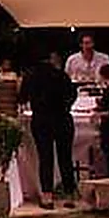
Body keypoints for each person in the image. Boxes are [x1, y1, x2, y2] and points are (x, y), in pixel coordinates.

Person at [19, 50, 77, 208]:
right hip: (63, 118)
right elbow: (73, 94)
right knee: (65, 158)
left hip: (42, 119)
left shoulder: (30, 76)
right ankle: (69, 195)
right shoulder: (61, 75)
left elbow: (22, 97)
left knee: (46, 158)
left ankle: (47, 196)